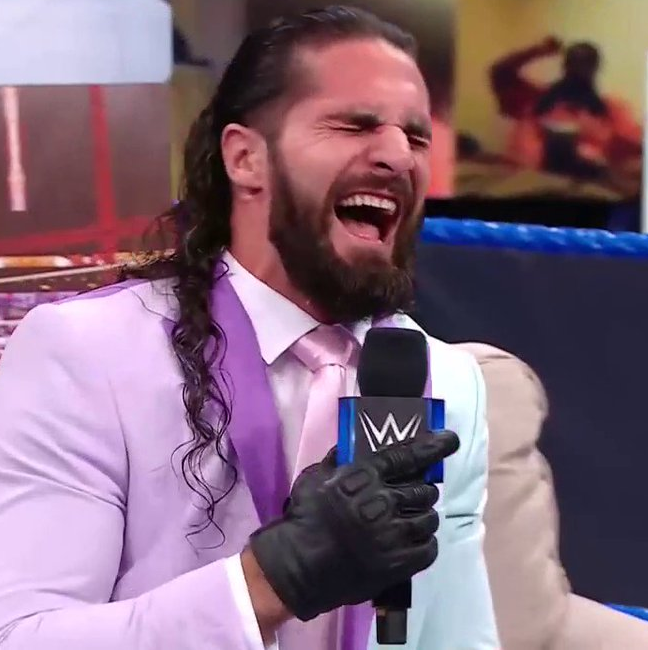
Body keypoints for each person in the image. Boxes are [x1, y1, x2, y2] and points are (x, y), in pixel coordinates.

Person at [0, 6, 499, 649]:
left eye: (417, 136)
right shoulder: (87, 354)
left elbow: (455, 639)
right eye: (355, 124)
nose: (398, 156)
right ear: (245, 159)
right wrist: (270, 583)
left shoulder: (449, 381)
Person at [490, 37, 642, 176]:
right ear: (565, 66)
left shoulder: (611, 110)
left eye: (586, 63)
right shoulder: (534, 99)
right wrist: (539, 50)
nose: (579, 70)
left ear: (595, 68)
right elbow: (501, 73)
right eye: (574, 62)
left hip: (584, 185)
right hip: (522, 182)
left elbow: (636, 143)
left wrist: (601, 144)